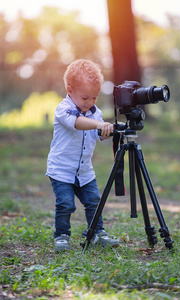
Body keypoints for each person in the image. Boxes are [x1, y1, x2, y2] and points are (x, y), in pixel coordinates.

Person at [46, 59, 120, 252]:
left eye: (94, 98)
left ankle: (96, 233)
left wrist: (108, 131)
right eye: (85, 98)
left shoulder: (95, 113)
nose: (90, 103)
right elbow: (77, 123)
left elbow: (98, 134)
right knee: (65, 204)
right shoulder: (63, 109)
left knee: (94, 201)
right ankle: (61, 236)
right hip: (61, 170)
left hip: (85, 172)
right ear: (70, 90)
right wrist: (98, 125)